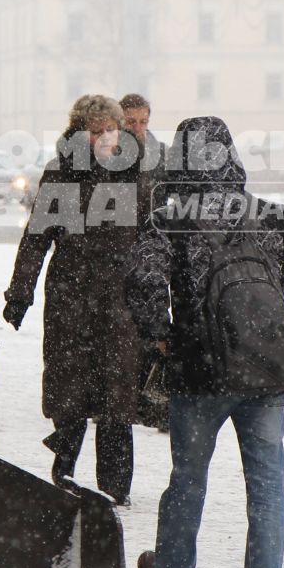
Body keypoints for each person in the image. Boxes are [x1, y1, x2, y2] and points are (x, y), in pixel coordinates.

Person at [126, 116, 284, 568]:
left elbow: (141, 275)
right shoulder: (267, 214)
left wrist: (160, 331)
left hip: (200, 366)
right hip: (266, 367)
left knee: (188, 478)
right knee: (267, 486)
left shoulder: (171, 216)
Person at [3, 94, 155, 505]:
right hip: (71, 295)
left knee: (117, 396)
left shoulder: (136, 174)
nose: (106, 138)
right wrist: (20, 294)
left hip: (121, 299)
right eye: (97, 131)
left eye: (111, 129)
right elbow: (37, 238)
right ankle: (65, 474)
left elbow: (152, 241)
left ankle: (115, 488)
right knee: (68, 390)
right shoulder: (62, 176)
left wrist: (157, 301)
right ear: (79, 134)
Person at [119, 92, 168, 432]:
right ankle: (122, 395)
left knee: (151, 323)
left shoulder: (160, 156)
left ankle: (151, 398)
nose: (138, 128)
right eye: (131, 122)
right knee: (121, 326)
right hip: (120, 249)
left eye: (143, 121)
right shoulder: (109, 155)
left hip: (151, 248)